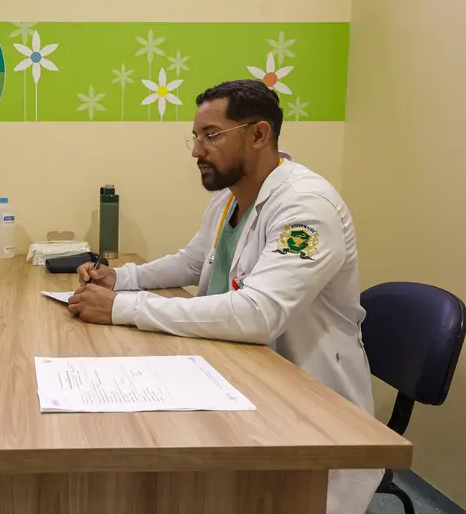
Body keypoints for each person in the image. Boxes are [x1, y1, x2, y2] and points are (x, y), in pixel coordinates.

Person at [68, 80, 381, 514]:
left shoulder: (307, 207)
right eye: (196, 137)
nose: (197, 151)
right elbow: (193, 262)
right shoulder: (229, 198)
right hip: (233, 373)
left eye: (211, 135)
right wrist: (119, 279)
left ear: (259, 134)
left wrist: (122, 307)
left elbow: (258, 314)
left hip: (306, 410)